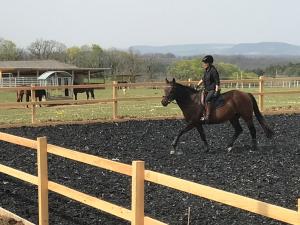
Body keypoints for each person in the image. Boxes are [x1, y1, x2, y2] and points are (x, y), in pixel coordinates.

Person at [197, 55, 220, 123]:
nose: (203, 64)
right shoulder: (206, 70)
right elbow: (203, 79)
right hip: (206, 89)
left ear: (209, 63)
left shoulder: (213, 71)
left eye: (205, 63)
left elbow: (217, 82)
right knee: (200, 99)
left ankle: (207, 116)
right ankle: (202, 113)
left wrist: (216, 91)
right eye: (203, 63)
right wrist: (197, 85)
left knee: (207, 100)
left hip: (212, 89)